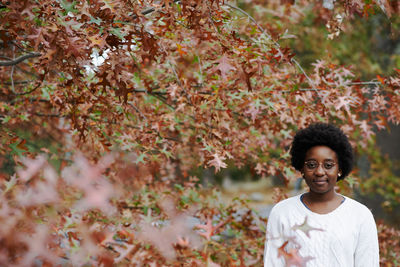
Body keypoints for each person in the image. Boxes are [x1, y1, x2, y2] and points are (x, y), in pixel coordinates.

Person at [264, 123, 379, 267]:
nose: (319, 172)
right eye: (311, 165)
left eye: (328, 165)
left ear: (340, 169)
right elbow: (272, 263)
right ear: (302, 168)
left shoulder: (360, 215)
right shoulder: (282, 212)